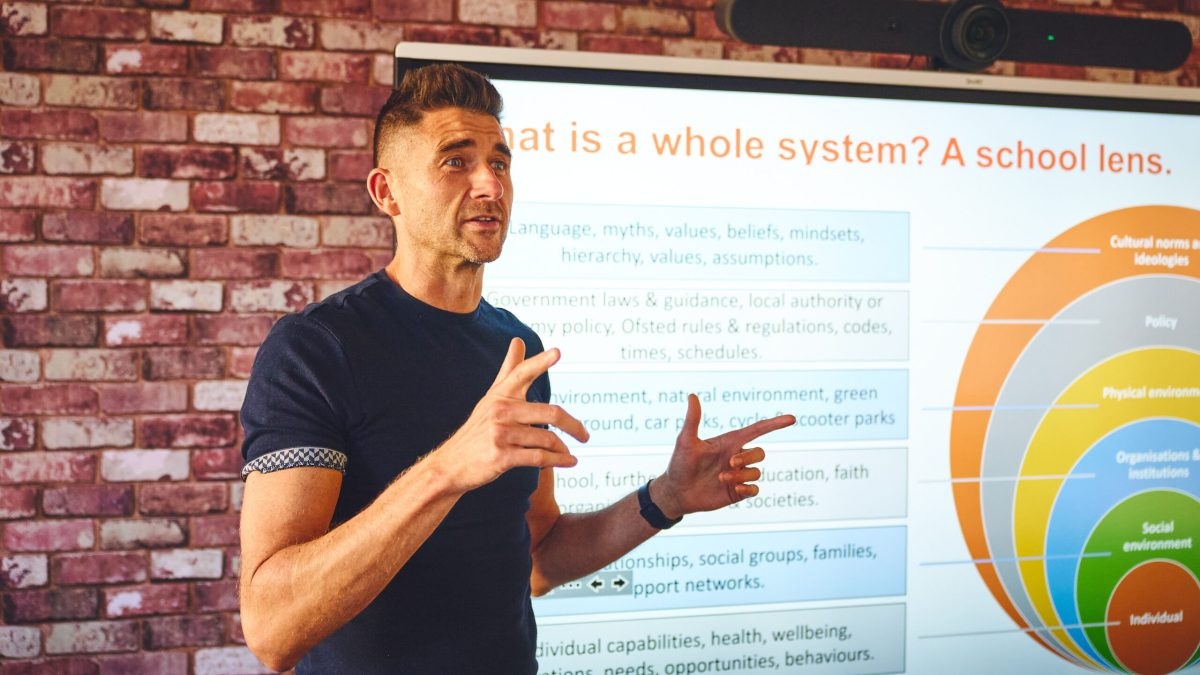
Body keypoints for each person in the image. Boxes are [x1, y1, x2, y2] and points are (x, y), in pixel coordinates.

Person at [237, 62, 795, 674]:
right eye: (456, 160)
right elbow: (272, 629)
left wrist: (664, 499)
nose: (489, 185)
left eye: (499, 163)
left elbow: (538, 559)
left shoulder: (516, 348)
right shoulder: (316, 349)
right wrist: (449, 467)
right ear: (386, 192)